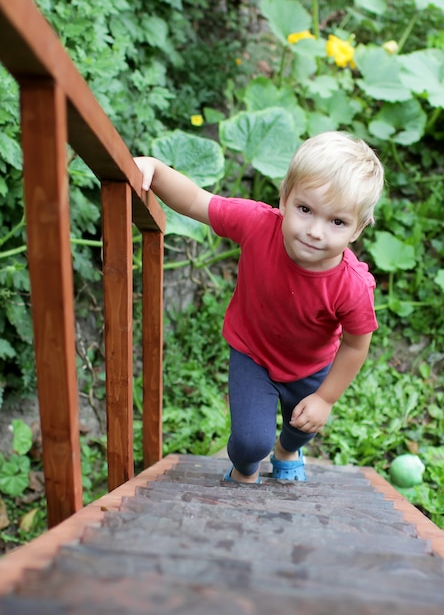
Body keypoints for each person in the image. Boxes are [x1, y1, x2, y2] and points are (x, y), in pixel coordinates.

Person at [134, 131, 385, 484]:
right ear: (284, 199)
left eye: (337, 222)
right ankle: (244, 472)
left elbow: (357, 343)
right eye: (305, 209)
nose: (315, 231)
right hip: (252, 352)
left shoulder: (352, 285)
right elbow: (196, 201)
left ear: (357, 229)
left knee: (302, 425)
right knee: (251, 442)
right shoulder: (257, 224)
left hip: (310, 366)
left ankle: (287, 451)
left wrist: (325, 399)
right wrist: (155, 171)